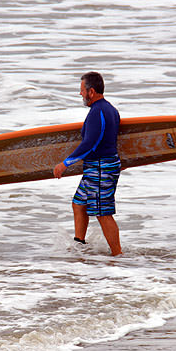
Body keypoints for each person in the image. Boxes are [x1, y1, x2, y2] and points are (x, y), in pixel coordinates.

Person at [54, 72, 122, 256]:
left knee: (102, 212)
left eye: (82, 90)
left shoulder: (98, 111)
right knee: (79, 204)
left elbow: (91, 143)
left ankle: (118, 256)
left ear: (91, 91)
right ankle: (80, 246)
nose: (80, 94)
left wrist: (65, 163)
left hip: (101, 167)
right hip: (97, 167)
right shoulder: (110, 109)